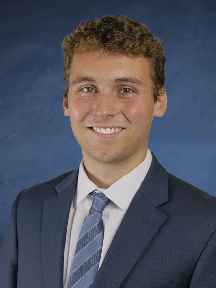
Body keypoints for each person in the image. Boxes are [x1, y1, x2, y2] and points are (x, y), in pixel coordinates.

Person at [0, 15, 216, 288]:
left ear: (159, 102)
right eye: (87, 89)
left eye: (125, 89)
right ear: (66, 102)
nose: (103, 110)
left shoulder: (207, 224)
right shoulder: (28, 208)